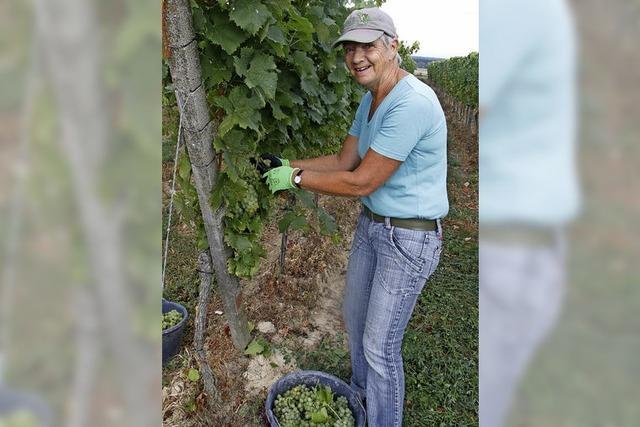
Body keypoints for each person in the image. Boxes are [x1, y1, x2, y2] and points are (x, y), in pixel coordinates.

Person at [259, 8, 448, 426]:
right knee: (356, 323)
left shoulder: (412, 103)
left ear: (392, 47)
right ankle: (363, 402)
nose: (357, 56)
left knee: (380, 347)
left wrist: (294, 178)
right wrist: (288, 161)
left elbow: (361, 181)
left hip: (408, 239)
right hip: (373, 228)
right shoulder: (370, 100)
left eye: (368, 45)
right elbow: (346, 159)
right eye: (349, 48)